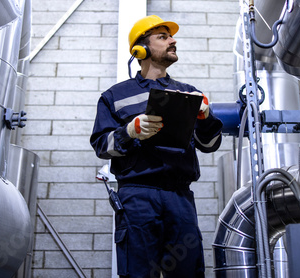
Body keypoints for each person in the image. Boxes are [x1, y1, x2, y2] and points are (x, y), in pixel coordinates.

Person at [90, 15, 223, 277]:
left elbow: (210, 144)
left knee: (188, 273)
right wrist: (130, 131)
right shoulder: (115, 97)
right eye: (163, 37)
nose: (173, 41)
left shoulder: (189, 94)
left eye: (170, 36)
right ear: (141, 49)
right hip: (138, 197)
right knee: (139, 273)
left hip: (180, 198)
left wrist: (205, 118)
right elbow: (101, 146)